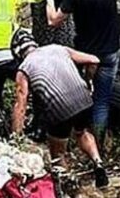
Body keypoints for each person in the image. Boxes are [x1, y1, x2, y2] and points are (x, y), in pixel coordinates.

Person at [10, 30, 109, 187]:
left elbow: (20, 105)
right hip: (83, 98)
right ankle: (98, 163)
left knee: (57, 152)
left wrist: (15, 137)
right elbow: (94, 60)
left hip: (59, 108)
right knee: (82, 132)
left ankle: (68, 184)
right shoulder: (58, 48)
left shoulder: (24, 69)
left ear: (17, 53)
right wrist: (89, 81)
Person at [46, 0, 120, 153]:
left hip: (86, 57)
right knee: (102, 102)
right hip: (110, 53)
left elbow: (53, 20)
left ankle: (74, 141)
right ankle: (99, 146)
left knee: (77, 98)